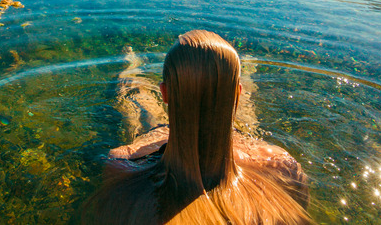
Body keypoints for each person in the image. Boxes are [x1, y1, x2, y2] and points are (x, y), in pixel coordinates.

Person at [83, 30, 311, 225]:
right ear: (237, 95)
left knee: (135, 96)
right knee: (244, 113)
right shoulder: (282, 166)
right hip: (241, 138)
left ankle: (131, 64)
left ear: (165, 93)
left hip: (159, 135)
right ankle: (247, 69)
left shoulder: (123, 164)